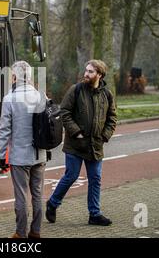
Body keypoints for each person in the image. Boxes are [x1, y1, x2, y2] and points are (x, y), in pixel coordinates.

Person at [46, 59, 117, 226]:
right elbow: (64, 111)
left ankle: (94, 214)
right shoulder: (76, 90)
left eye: (91, 72)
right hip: (75, 144)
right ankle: (52, 203)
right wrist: (76, 132)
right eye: (86, 70)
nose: (86, 74)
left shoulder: (106, 94)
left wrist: (105, 135)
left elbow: (112, 117)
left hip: (95, 145)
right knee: (71, 176)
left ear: (99, 75)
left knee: (95, 178)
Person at [0, 60, 46, 238]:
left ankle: (20, 233)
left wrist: (1, 155)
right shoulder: (41, 96)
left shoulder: (10, 99)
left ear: (15, 77)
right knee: (38, 195)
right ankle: (36, 231)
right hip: (39, 155)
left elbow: (4, 130)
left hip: (19, 156)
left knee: (21, 196)